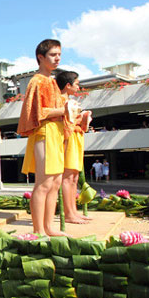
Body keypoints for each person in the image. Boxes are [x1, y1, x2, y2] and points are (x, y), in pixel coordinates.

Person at [17, 39, 68, 237]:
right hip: (44, 131)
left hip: (55, 132)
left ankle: (49, 227)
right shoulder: (37, 81)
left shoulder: (52, 82)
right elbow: (38, 112)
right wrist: (64, 110)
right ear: (41, 57)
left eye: (59, 55)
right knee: (44, 183)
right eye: (53, 55)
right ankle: (38, 230)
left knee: (55, 183)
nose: (57, 59)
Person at [57, 71, 92, 224]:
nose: (78, 87)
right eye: (77, 84)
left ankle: (74, 211)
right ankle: (68, 213)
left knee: (74, 177)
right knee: (67, 176)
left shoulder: (70, 101)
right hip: (67, 138)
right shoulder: (60, 101)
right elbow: (64, 122)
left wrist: (84, 119)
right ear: (68, 85)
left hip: (76, 137)